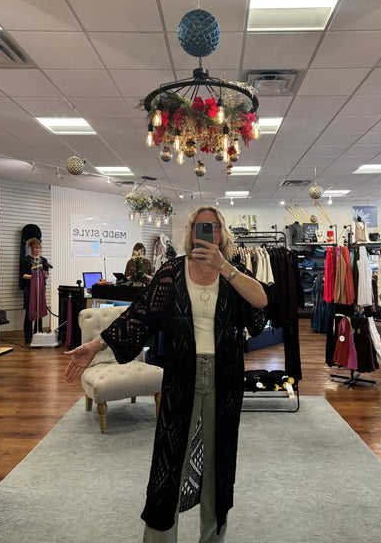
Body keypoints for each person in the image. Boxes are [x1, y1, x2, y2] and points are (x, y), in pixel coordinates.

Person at [65, 206, 268, 542]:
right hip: (181, 376)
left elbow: (261, 301)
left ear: (222, 234)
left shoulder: (234, 272)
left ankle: (213, 537)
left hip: (225, 379)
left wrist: (224, 267)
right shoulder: (172, 271)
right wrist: (95, 345)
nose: (207, 232)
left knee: (218, 462)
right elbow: (138, 315)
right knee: (169, 460)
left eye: (213, 227)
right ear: (191, 232)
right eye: (200, 226)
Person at [20, 238, 51, 344]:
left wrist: (45, 275)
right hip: (29, 288)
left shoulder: (44, 260)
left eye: (39, 248)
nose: (37, 250)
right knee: (29, 312)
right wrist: (35, 276)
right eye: (35, 248)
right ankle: (28, 337)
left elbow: (46, 276)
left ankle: (39, 334)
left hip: (41, 288)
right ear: (31, 249)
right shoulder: (25, 260)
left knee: (40, 311)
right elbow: (23, 275)